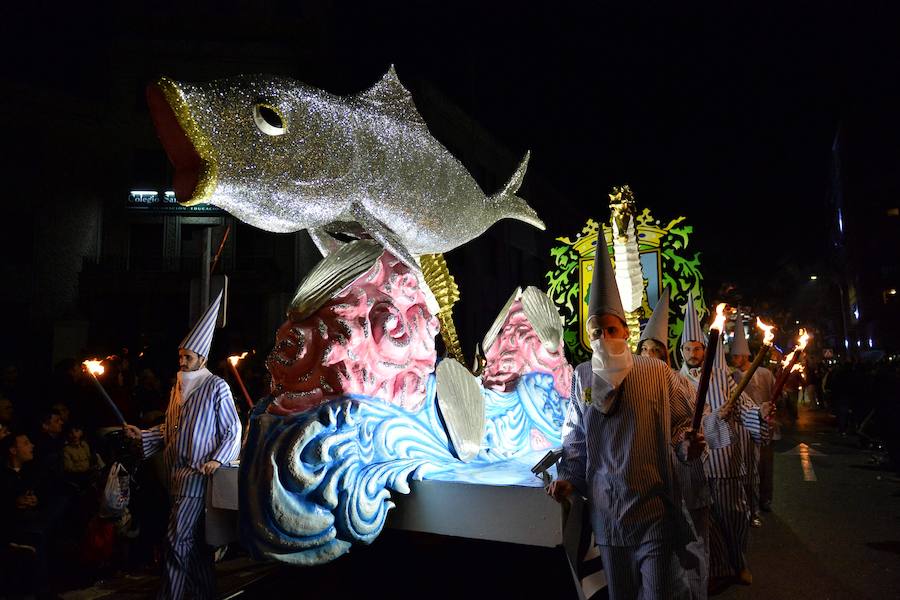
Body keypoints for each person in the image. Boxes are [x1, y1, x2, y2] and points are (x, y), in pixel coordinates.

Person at [548, 237, 703, 600]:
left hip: (653, 509)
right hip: (607, 512)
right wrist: (569, 478)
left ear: (626, 332)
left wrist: (689, 444)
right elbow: (575, 437)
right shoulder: (583, 377)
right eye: (595, 332)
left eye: (611, 330)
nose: (604, 338)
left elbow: (684, 424)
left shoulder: (656, 373)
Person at [124, 291, 241, 600]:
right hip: (176, 477)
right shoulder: (178, 388)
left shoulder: (217, 386)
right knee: (197, 544)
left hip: (198, 477)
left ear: (201, 359)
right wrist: (144, 436)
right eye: (181, 357)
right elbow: (169, 429)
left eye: (188, 357)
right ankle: (204, 594)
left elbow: (233, 428)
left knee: (176, 540)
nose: (183, 361)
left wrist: (218, 459)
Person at [680, 309, 771, 592]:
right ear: (681, 351)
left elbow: (745, 409)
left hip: (724, 463)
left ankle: (738, 562)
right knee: (700, 523)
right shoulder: (674, 379)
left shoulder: (722, 378)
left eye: (698, 348)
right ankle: (709, 570)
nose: (693, 353)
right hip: (693, 464)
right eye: (688, 348)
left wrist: (761, 413)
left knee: (733, 515)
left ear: (705, 349)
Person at [729, 314, 775, 516]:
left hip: (764, 423)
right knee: (747, 466)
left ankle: (765, 499)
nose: (734, 359)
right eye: (733, 356)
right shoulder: (730, 375)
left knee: (765, 466)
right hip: (743, 425)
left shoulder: (764, 373)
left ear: (747, 355)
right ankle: (748, 502)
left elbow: (774, 394)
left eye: (737, 355)